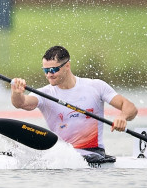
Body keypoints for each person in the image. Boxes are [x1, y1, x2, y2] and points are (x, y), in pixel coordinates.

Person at [10, 45, 138, 162]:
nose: (49, 75)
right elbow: (22, 103)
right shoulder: (44, 93)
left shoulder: (96, 86)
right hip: (61, 155)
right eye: (46, 70)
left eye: (54, 70)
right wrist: (17, 93)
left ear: (67, 66)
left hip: (92, 154)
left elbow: (130, 107)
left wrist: (123, 116)